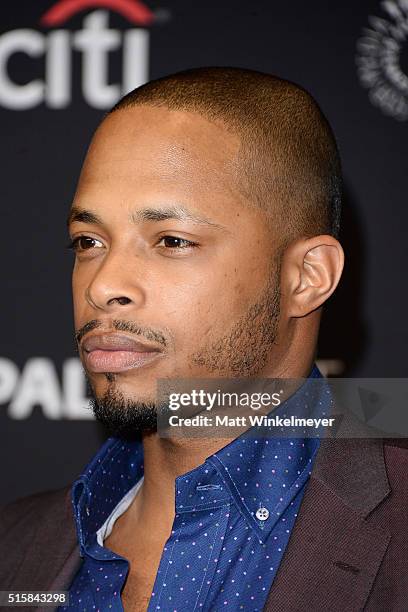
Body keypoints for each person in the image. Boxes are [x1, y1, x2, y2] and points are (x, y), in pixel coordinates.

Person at [1, 67, 407, 612]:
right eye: (89, 240)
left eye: (171, 240)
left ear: (306, 277)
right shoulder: (15, 545)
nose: (102, 285)